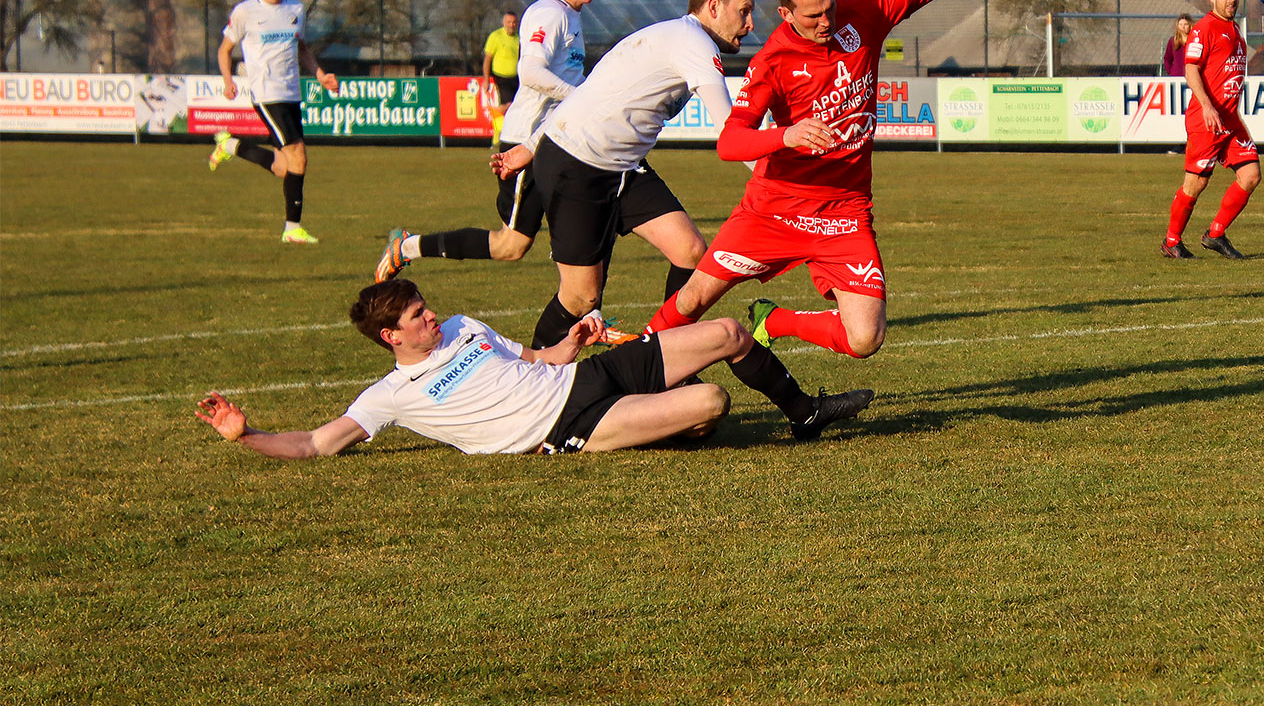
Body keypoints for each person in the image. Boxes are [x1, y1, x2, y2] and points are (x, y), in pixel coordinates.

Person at [650, 0, 1044, 361]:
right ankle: (627, 365)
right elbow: (730, 142)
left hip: (845, 213)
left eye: (829, 7)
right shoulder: (773, 61)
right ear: (785, 13)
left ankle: (774, 321)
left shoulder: (864, 13)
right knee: (692, 300)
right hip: (776, 209)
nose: (826, 21)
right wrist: (787, 135)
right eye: (813, 15)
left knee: (864, 338)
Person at [194, 277, 865, 458]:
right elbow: (316, 443)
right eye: (419, 317)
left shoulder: (463, 329)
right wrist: (246, 435)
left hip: (584, 377)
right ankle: (670, 419)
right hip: (567, 425)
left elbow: (536, 358)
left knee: (722, 331)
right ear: (388, 336)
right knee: (710, 404)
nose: (435, 318)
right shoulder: (390, 395)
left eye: (429, 308)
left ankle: (803, 413)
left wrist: (570, 340)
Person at [490, 0, 757, 350]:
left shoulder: (669, 34)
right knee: (581, 298)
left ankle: (661, 359)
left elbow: (592, 93)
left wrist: (531, 144)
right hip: (576, 165)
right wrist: (778, 180)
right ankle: (532, 379)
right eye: (744, 11)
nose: (749, 23)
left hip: (621, 167)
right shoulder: (695, 43)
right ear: (714, 7)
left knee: (690, 251)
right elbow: (733, 134)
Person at [379, 0, 603, 278]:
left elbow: (565, 75)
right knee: (510, 246)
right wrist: (579, 96)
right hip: (528, 141)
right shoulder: (549, 14)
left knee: (587, 222)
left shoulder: (571, 16)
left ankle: (587, 312)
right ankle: (408, 246)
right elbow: (529, 72)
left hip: (556, 142)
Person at [206, 0, 342, 243]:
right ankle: (292, 229)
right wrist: (228, 81)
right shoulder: (245, 11)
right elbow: (224, 49)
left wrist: (320, 75)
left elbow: (302, 48)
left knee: (285, 167)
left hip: (292, 92)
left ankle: (230, 145)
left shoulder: (296, 8)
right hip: (266, 93)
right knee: (299, 156)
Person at [1159, 0, 1260, 260]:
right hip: (1207, 120)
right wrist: (1206, 105)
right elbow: (1191, 69)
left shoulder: (1234, 28)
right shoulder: (1204, 28)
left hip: (1229, 119)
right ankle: (1171, 241)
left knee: (1251, 175)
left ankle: (1215, 234)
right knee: (1197, 183)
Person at [482, 9, 522, 118]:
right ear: (504, 23)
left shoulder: (519, 38)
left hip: (516, 78)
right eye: (509, 22)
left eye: (514, 22)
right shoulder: (496, 36)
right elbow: (487, 59)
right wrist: (486, 80)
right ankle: (497, 115)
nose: (511, 25)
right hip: (501, 77)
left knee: (517, 106)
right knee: (508, 106)